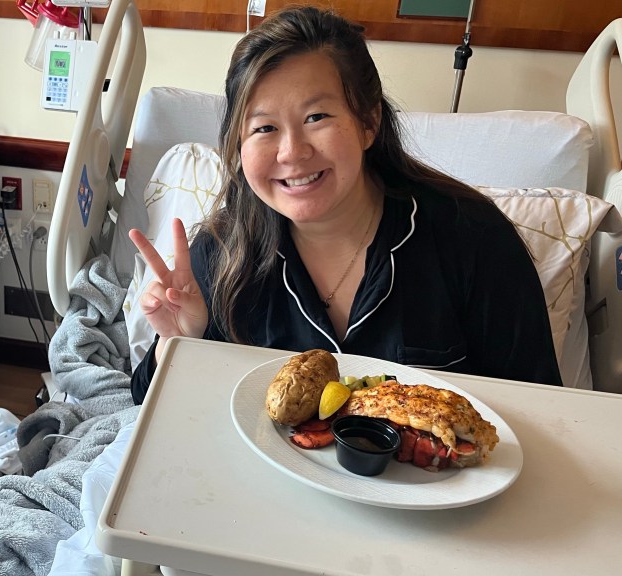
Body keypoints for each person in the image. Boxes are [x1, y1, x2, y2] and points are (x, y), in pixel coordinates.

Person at [129, 6, 562, 404]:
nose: (292, 152)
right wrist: (178, 344)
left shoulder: (474, 241)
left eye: (316, 117)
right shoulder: (223, 254)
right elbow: (151, 403)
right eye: (264, 128)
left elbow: (542, 406)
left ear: (368, 122)